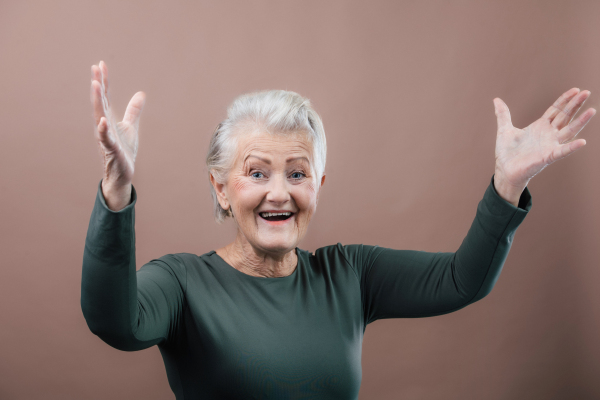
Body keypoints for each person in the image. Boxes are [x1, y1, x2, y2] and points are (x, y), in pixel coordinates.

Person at [81, 60, 595, 399]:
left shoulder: (349, 273)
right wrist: (115, 190)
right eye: (257, 173)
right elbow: (114, 322)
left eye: (297, 173)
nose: (279, 192)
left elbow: (462, 280)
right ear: (221, 188)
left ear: (318, 185)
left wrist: (506, 186)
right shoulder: (180, 283)